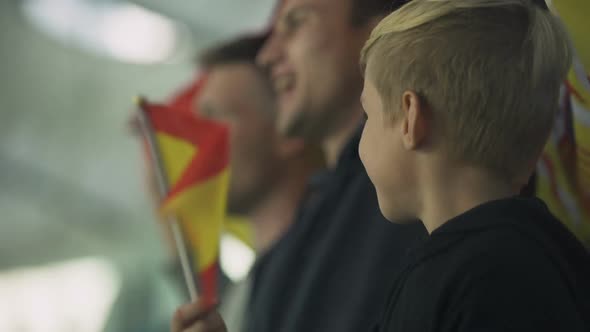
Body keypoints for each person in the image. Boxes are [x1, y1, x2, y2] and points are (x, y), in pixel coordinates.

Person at [170, 0, 426, 331]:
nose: (268, 55)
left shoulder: (411, 180)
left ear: (378, 32)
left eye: (297, 22)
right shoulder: (310, 227)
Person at [358, 0, 590, 330]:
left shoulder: (467, 278)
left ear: (411, 118)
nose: (360, 141)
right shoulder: (552, 261)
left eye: (369, 115)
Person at [196, 34, 322, 332]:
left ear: (288, 129)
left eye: (214, 119)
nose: (197, 143)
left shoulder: (326, 274)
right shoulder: (246, 291)